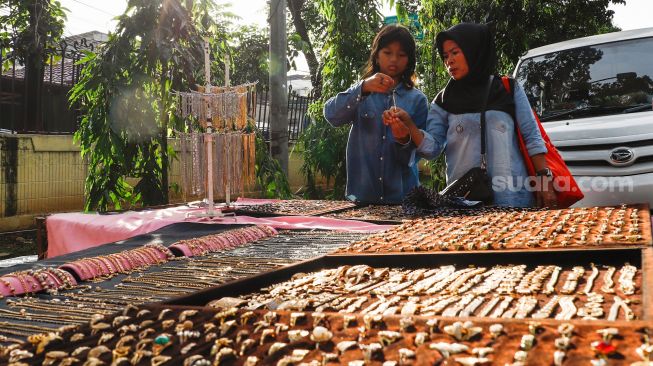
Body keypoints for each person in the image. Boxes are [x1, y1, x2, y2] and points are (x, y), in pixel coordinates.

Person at [417, 23, 557, 207]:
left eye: (455, 52)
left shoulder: (508, 89)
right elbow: (431, 149)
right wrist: (409, 129)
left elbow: (532, 136)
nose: (448, 61)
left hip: (513, 199)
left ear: (474, 50)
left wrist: (544, 181)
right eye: (445, 56)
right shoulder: (443, 101)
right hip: (465, 202)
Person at [323, 24, 430, 204]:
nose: (394, 60)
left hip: (403, 200)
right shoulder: (362, 91)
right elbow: (332, 115)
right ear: (377, 55)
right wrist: (362, 88)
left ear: (409, 60)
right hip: (361, 196)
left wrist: (403, 139)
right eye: (387, 52)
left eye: (401, 55)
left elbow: (415, 156)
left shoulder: (418, 100)